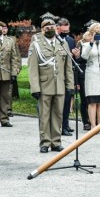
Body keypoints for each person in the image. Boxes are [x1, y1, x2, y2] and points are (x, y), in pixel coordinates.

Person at [28, 19, 75, 152]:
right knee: (44, 115)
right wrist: (35, 88)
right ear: (42, 30)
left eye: (52, 26)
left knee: (58, 114)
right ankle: (45, 142)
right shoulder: (36, 45)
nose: (50, 29)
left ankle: (56, 141)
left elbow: (68, 67)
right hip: (44, 86)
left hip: (59, 85)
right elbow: (32, 69)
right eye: (47, 27)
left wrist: (70, 85)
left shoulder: (62, 43)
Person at [0, 21, 20, 128]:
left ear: (3, 29)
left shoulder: (10, 41)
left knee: (6, 97)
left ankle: (4, 119)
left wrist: (14, 72)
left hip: (7, 73)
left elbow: (14, 58)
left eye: (0, 27)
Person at [58, 17, 80, 136]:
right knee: (59, 103)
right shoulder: (55, 40)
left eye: (67, 31)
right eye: (63, 31)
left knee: (67, 102)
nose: (65, 33)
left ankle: (65, 125)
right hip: (57, 75)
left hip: (68, 74)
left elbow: (76, 58)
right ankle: (58, 126)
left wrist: (76, 55)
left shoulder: (71, 40)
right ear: (58, 29)